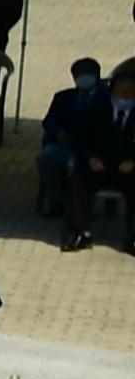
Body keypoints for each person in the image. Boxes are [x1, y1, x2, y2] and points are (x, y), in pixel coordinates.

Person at [67, 60, 135, 253]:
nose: (125, 96)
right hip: (100, 166)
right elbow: (81, 140)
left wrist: (133, 162)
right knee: (79, 182)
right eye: (121, 92)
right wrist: (90, 158)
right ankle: (81, 233)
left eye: (130, 92)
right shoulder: (97, 111)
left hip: (128, 170)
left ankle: (133, 237)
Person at [41, 56, 112, 227]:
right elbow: (48, 121)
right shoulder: (63, 97)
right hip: (66, 147)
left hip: (95, 151)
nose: (83, 77)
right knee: (47, 157)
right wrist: (58, 132)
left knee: (84, 165)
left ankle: (84, 207)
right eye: (79, 74)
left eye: (87, 73)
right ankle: (58, 203)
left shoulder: (108, 98)